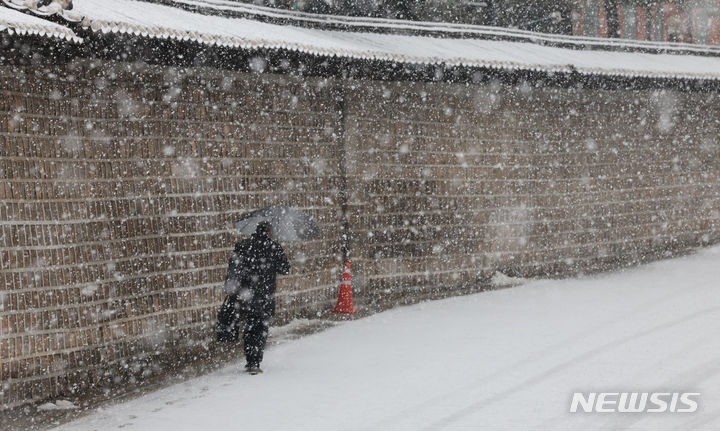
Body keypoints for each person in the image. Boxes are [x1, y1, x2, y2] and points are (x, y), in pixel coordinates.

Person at [229, 221, 290, 374]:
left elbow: (233, 269)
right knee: (261, 329)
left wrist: (233, 291)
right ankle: (255, 362)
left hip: (246, 295)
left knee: (249, 327)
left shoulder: (243, 246)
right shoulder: (273, 247)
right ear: (269, 233)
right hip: (265, 296)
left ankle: (250, 359)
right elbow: (285, 269)